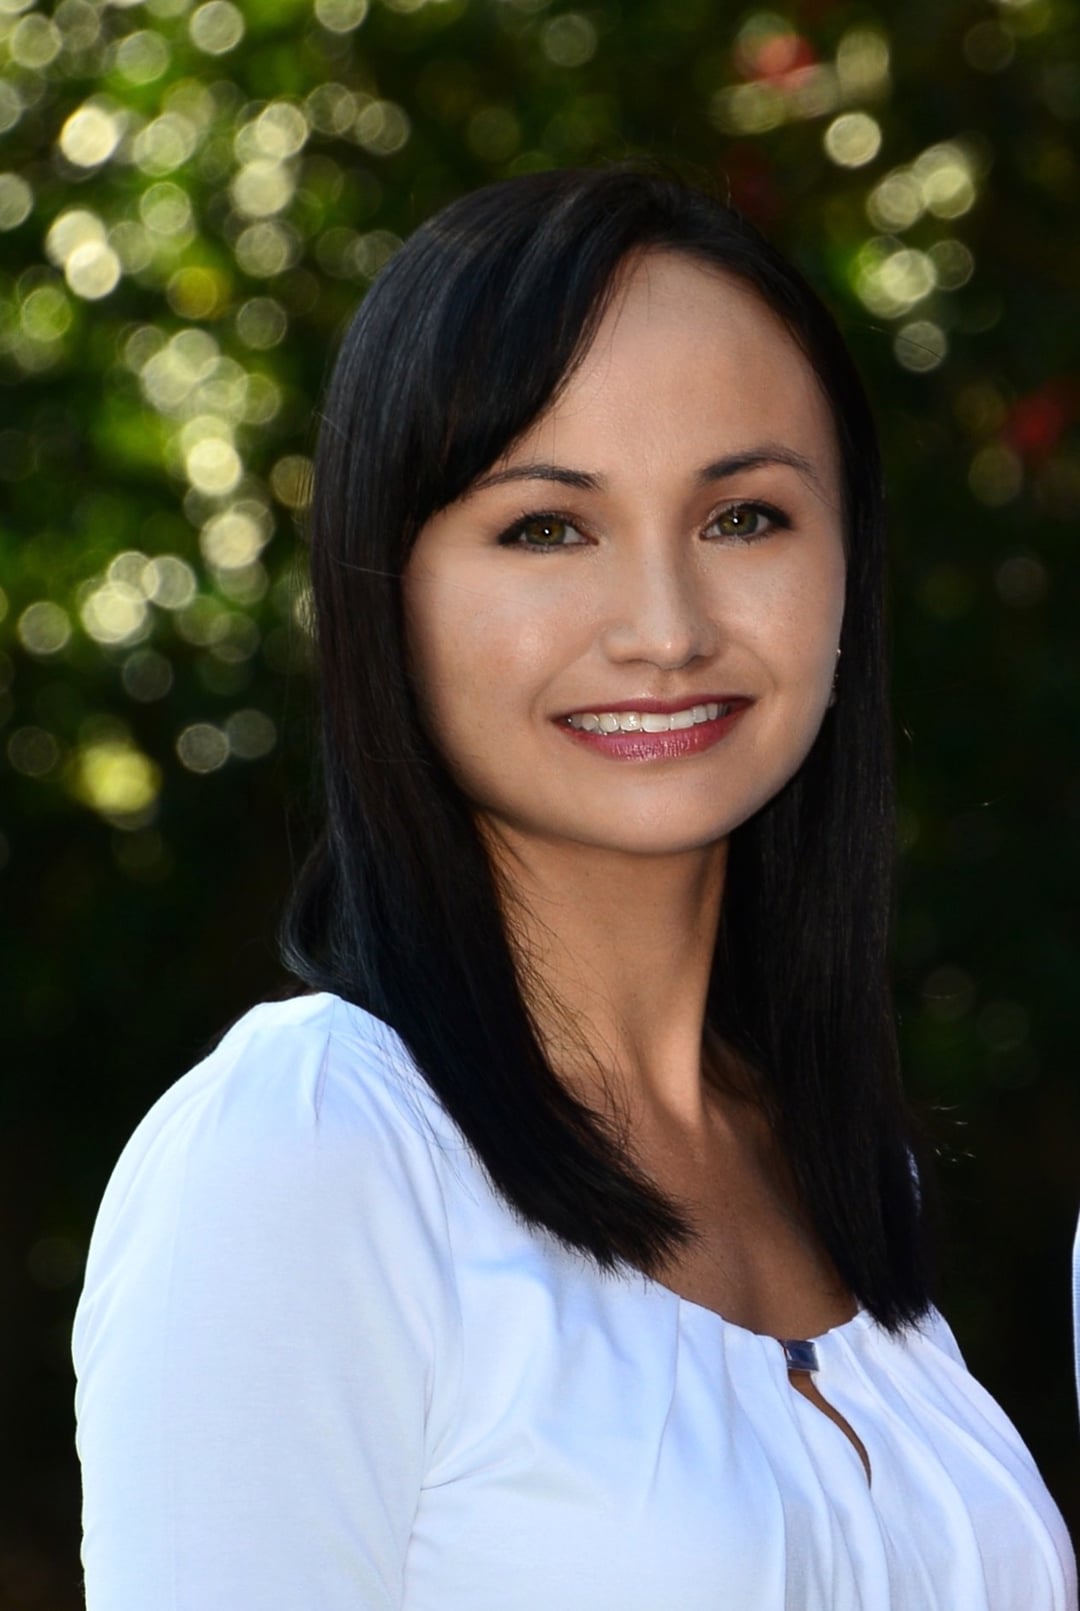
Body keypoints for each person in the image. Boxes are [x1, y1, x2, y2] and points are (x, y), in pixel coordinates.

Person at [72, 165, 1076, 1609]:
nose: (666, 629)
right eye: (547, 527)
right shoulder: (307, 1150)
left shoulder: (839, 1164)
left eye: (744, 517)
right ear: (385, 591)